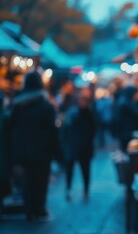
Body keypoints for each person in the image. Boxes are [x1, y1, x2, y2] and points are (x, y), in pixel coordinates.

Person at [8, 71, 61, 221]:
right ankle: (39, 208)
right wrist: (58, 152)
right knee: (41, 180)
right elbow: (53, 131)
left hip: (22, 151)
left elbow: (11, 128)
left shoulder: (17, 106)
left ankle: (29, 209)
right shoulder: (46, 106)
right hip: (42, 151)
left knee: (27, 181)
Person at [61, 88, 96, 202]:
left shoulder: (90, 114)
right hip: (73, 146)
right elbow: (66, 129)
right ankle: (68, 189)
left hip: (84, 148)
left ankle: (85, 190)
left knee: (85, 170)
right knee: (71, 170)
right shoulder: (73, 113)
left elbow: (93, 130)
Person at [112, 86, 138, 153]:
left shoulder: (123, 101)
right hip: (128, 132)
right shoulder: (127, 103)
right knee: (130, 151)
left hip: (124, 132)